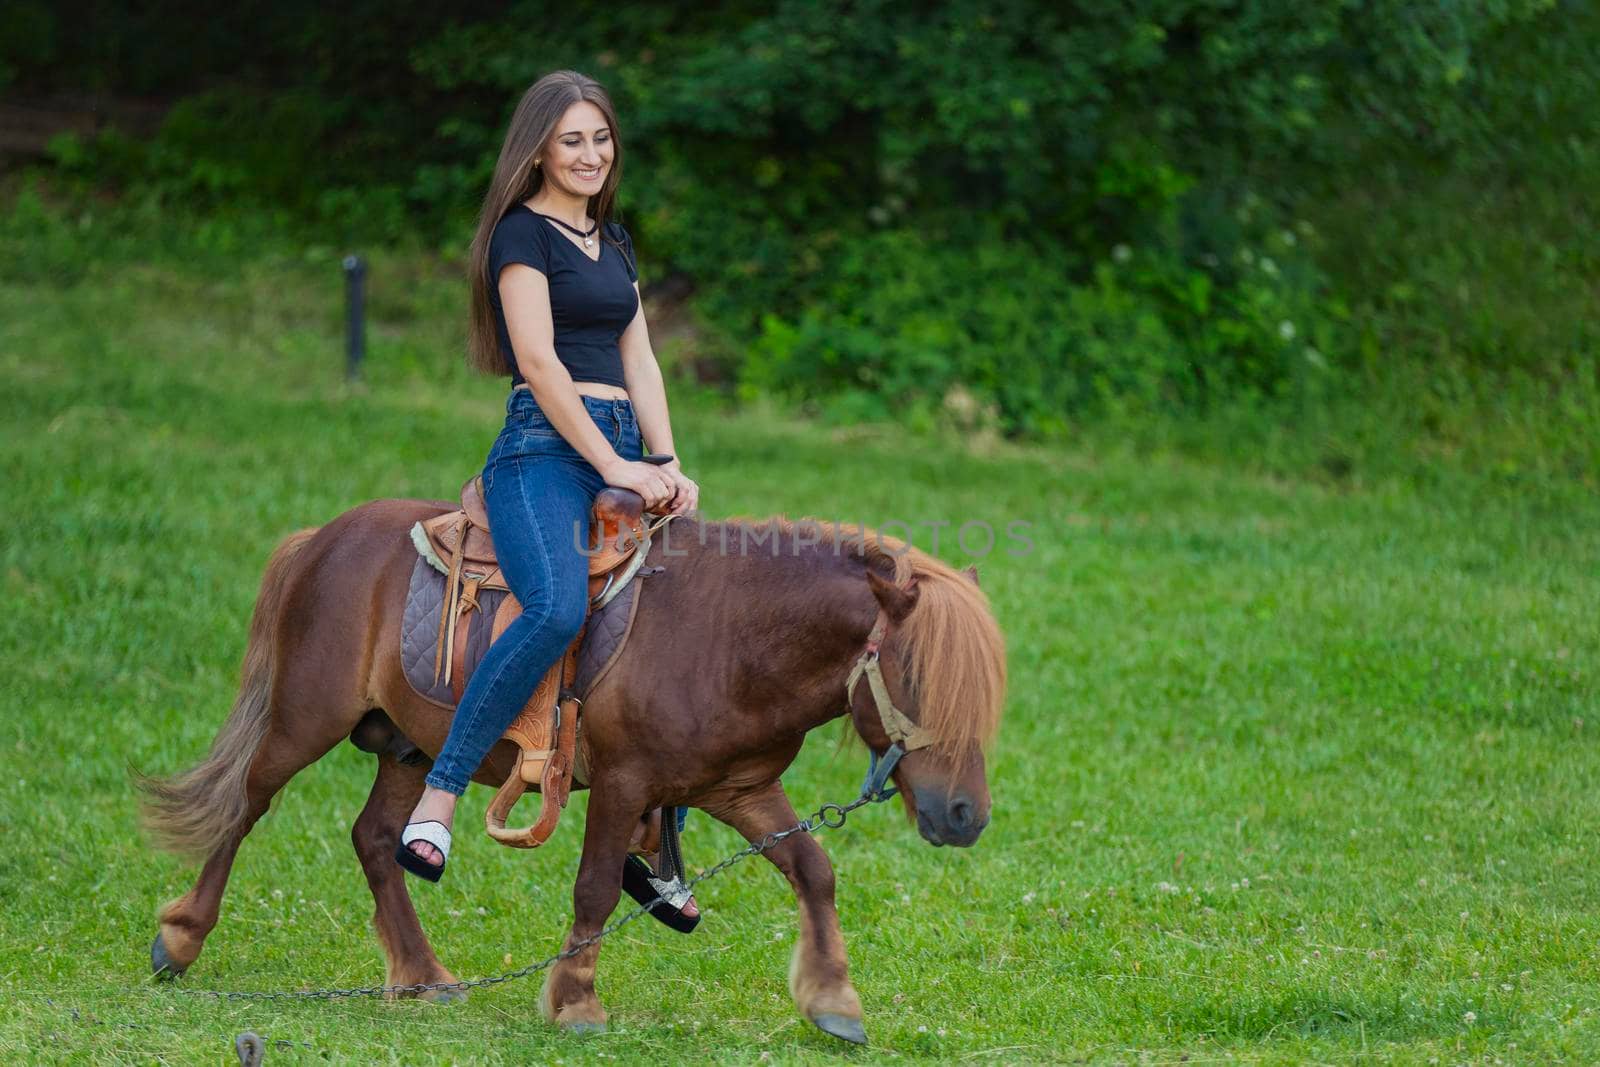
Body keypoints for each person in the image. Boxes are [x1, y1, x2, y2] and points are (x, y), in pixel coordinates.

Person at [395, 70, 701, 927]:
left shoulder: (614, 240)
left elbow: (639, 360)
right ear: (538, 147)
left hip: (625, 455)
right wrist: (616, 463)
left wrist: (665, 460)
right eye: (573, 139)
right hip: (543, 455)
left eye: (601, 138)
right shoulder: (519, 236)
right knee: (557, 606)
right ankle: (442, 795)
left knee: (689, 621)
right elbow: (540, 362)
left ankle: (653, 843)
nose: (591, 154)